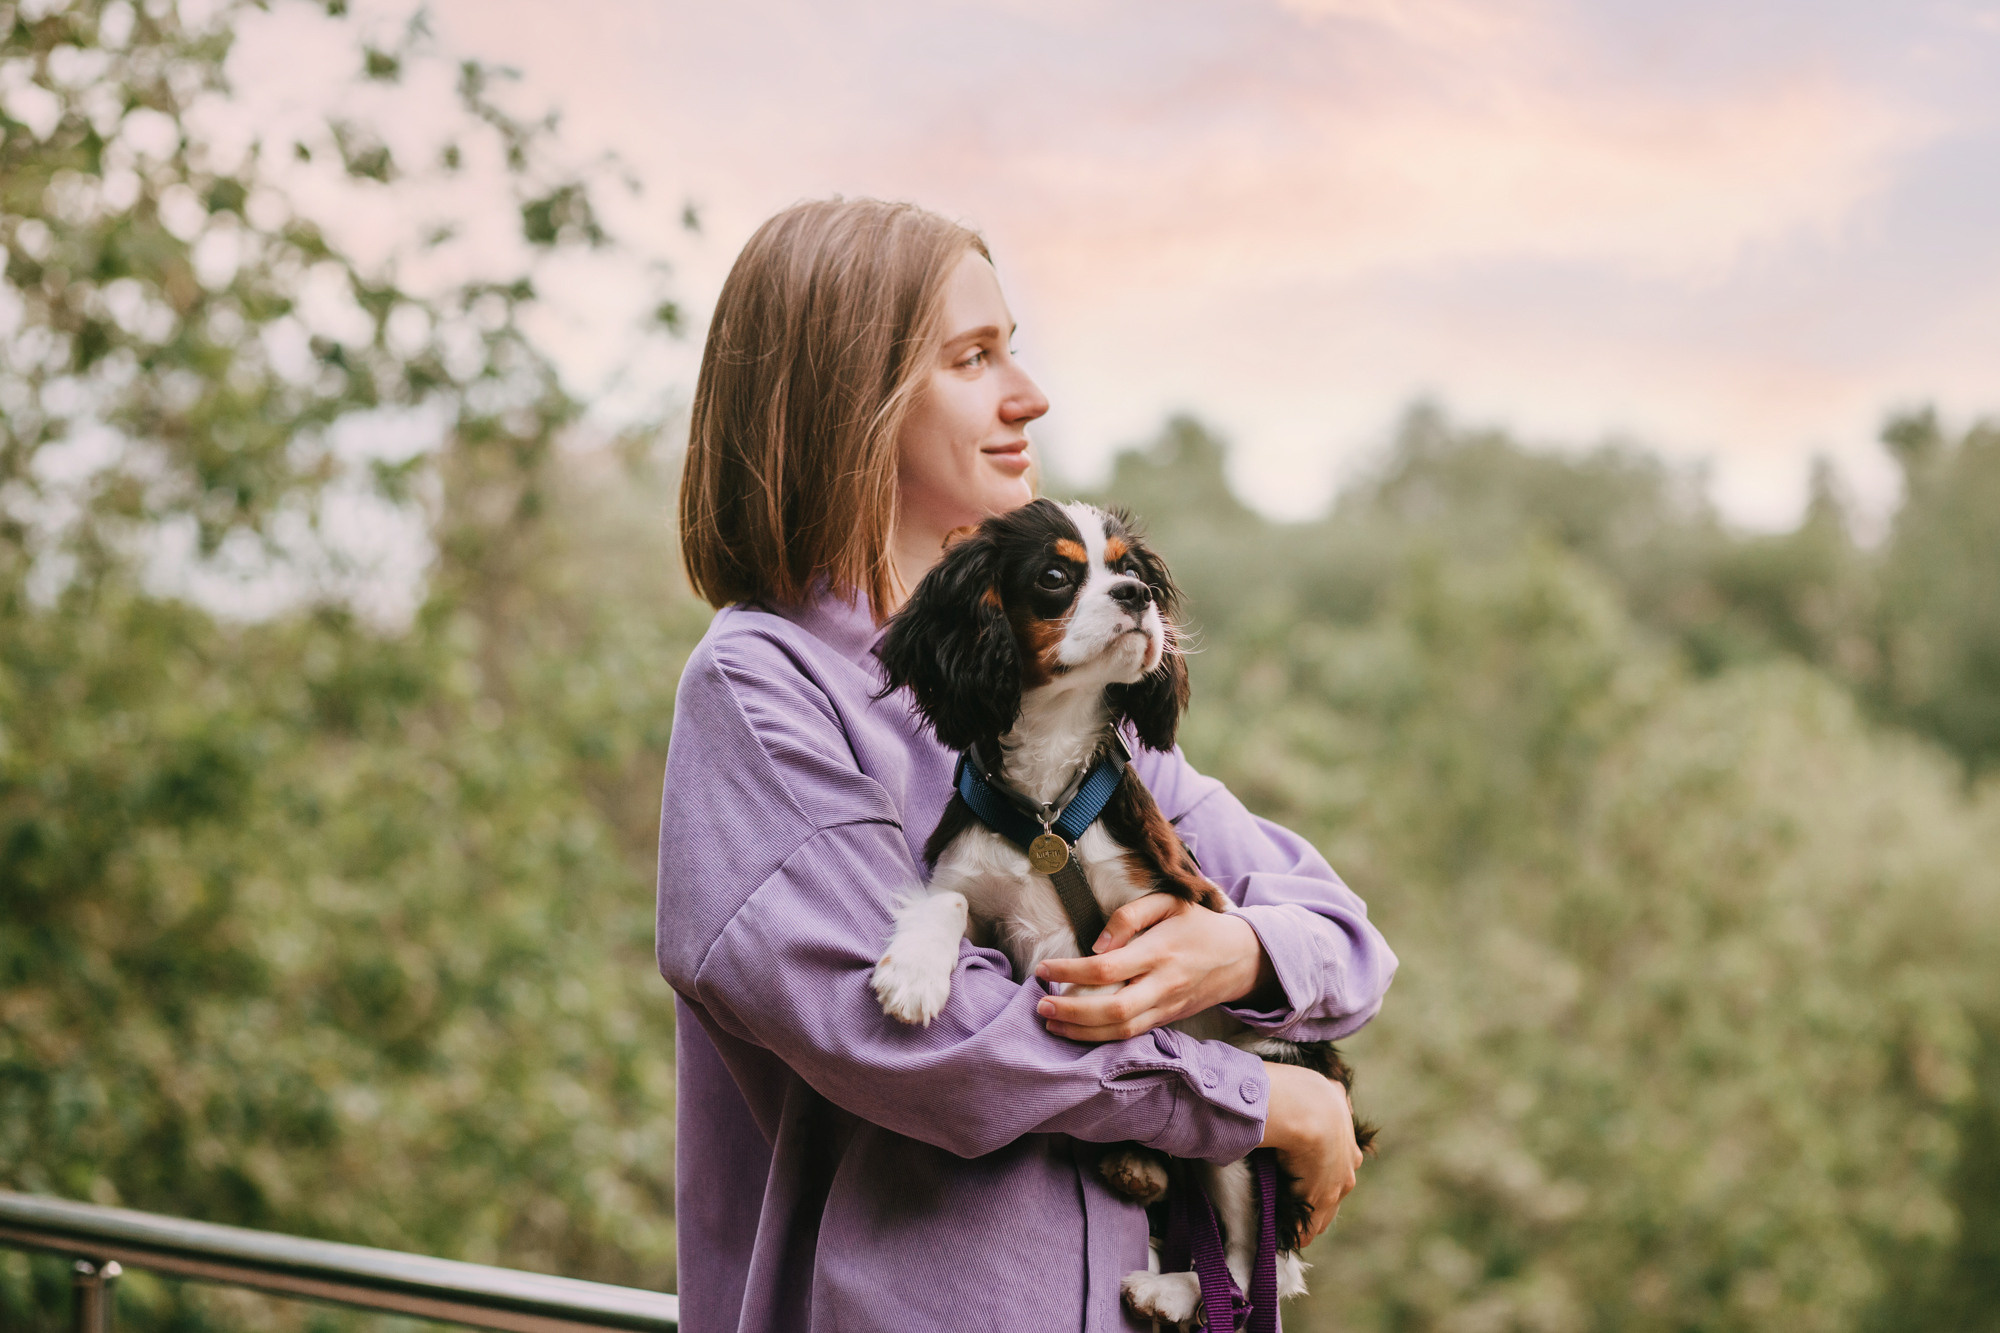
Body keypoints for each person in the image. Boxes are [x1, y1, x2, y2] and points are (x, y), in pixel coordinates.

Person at [657, 198, 1396, 1333]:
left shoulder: (1058, 692)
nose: (1029, 394)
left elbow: (1339, 937)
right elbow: (921, 1041)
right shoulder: (762, 688)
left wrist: (1232, 952)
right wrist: (1251, 1099)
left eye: (1013, 347)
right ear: (853, 403)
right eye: (973, 357)